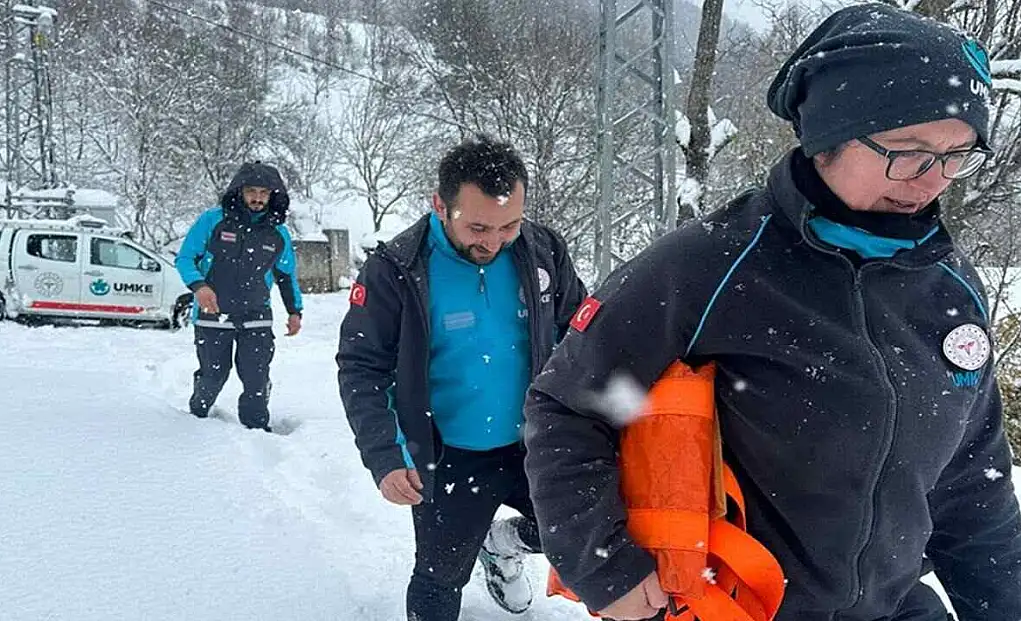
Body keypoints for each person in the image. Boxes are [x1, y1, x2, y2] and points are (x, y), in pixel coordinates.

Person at [523, 5, 1021, 621]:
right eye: (907, 150)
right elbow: (568, 407)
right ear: (828, 137)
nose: (931, 180)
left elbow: (974, 484)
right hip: (737, 602)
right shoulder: (711, 265)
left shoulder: (951, 289)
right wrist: (606, 566)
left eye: (957, 155)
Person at [336, 134, 587, 620]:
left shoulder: (541, 250)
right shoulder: (397, 269)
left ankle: (502, 543)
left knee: (587, 533)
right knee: (439, 580)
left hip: (535, 444)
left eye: (508, 225)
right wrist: (386, 457)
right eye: (477, 227)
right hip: (450, 458)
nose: (493, 242)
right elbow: (362, 366)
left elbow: (580, 331)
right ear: (439, 204)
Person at [176, 161, 303, 432]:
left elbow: (286, 274)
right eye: (252, 191)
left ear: (273, 196)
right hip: (213, 314)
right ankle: (195, 420)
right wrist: (199, 286)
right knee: (213, 375)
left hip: (256, 314)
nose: (257, 198)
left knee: (256, 376)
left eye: (264, 193)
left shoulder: (278, 233)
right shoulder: (213, 220)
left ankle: (257, 430)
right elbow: (185, 258)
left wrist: (295, 311)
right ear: (240, 191)